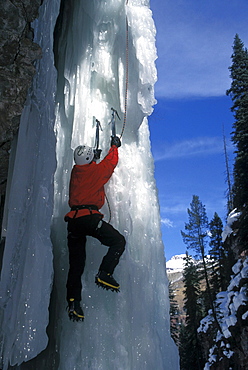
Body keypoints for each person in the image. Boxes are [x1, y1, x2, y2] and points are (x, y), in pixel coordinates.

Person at [64, 135, 126, 321]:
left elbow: (89, 171)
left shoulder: (76, 172)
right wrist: (114, 147)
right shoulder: (95, 172)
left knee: (76, 265)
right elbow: (109, 165)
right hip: (89, 218)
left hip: (73, 223)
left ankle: (73, 302)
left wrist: (93, 160)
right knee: (118, 241)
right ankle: (105, 273)